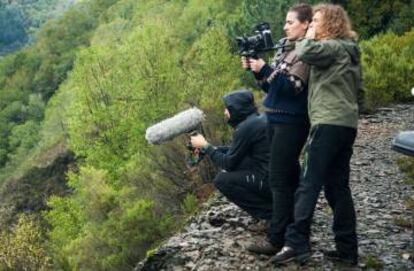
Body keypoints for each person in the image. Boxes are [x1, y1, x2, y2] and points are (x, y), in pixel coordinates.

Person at [271, 4, 361, 265]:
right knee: (337, 188)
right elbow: (360, 89)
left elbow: (305, 51)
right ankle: (347, 250)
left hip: (326, 124)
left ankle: (295, 243)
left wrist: (308, 36)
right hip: (346, 125)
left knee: (308, 184)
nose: (311, 25)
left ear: (331, 24)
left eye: (316, 21)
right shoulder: (350, 50)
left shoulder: (331, 46)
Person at [241, 4, 312, 255]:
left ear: (306, 24)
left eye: (290, 22)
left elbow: (293, 88)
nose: (285, 26)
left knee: (279, 179)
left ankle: (276, 238)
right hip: (274, 118)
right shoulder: (284, 46)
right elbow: (271, 87)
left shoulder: (306, 50)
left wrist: (266, 69)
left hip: (291, 121)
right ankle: (294, 229)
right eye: (285, 22)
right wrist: (257, 72)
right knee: (289, 176)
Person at [190, 89, 272, 221]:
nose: (225, 112)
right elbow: (236, 152)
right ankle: (275, 208)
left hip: (271, 183)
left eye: (227, 109)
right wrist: (212, 149)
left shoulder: (246, 128)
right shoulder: (257, 120)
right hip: (282, 181)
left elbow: (228, 163)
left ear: (237, 109)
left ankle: (270, 214)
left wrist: (206, 146)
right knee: (240, 163)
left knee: (222, 180)